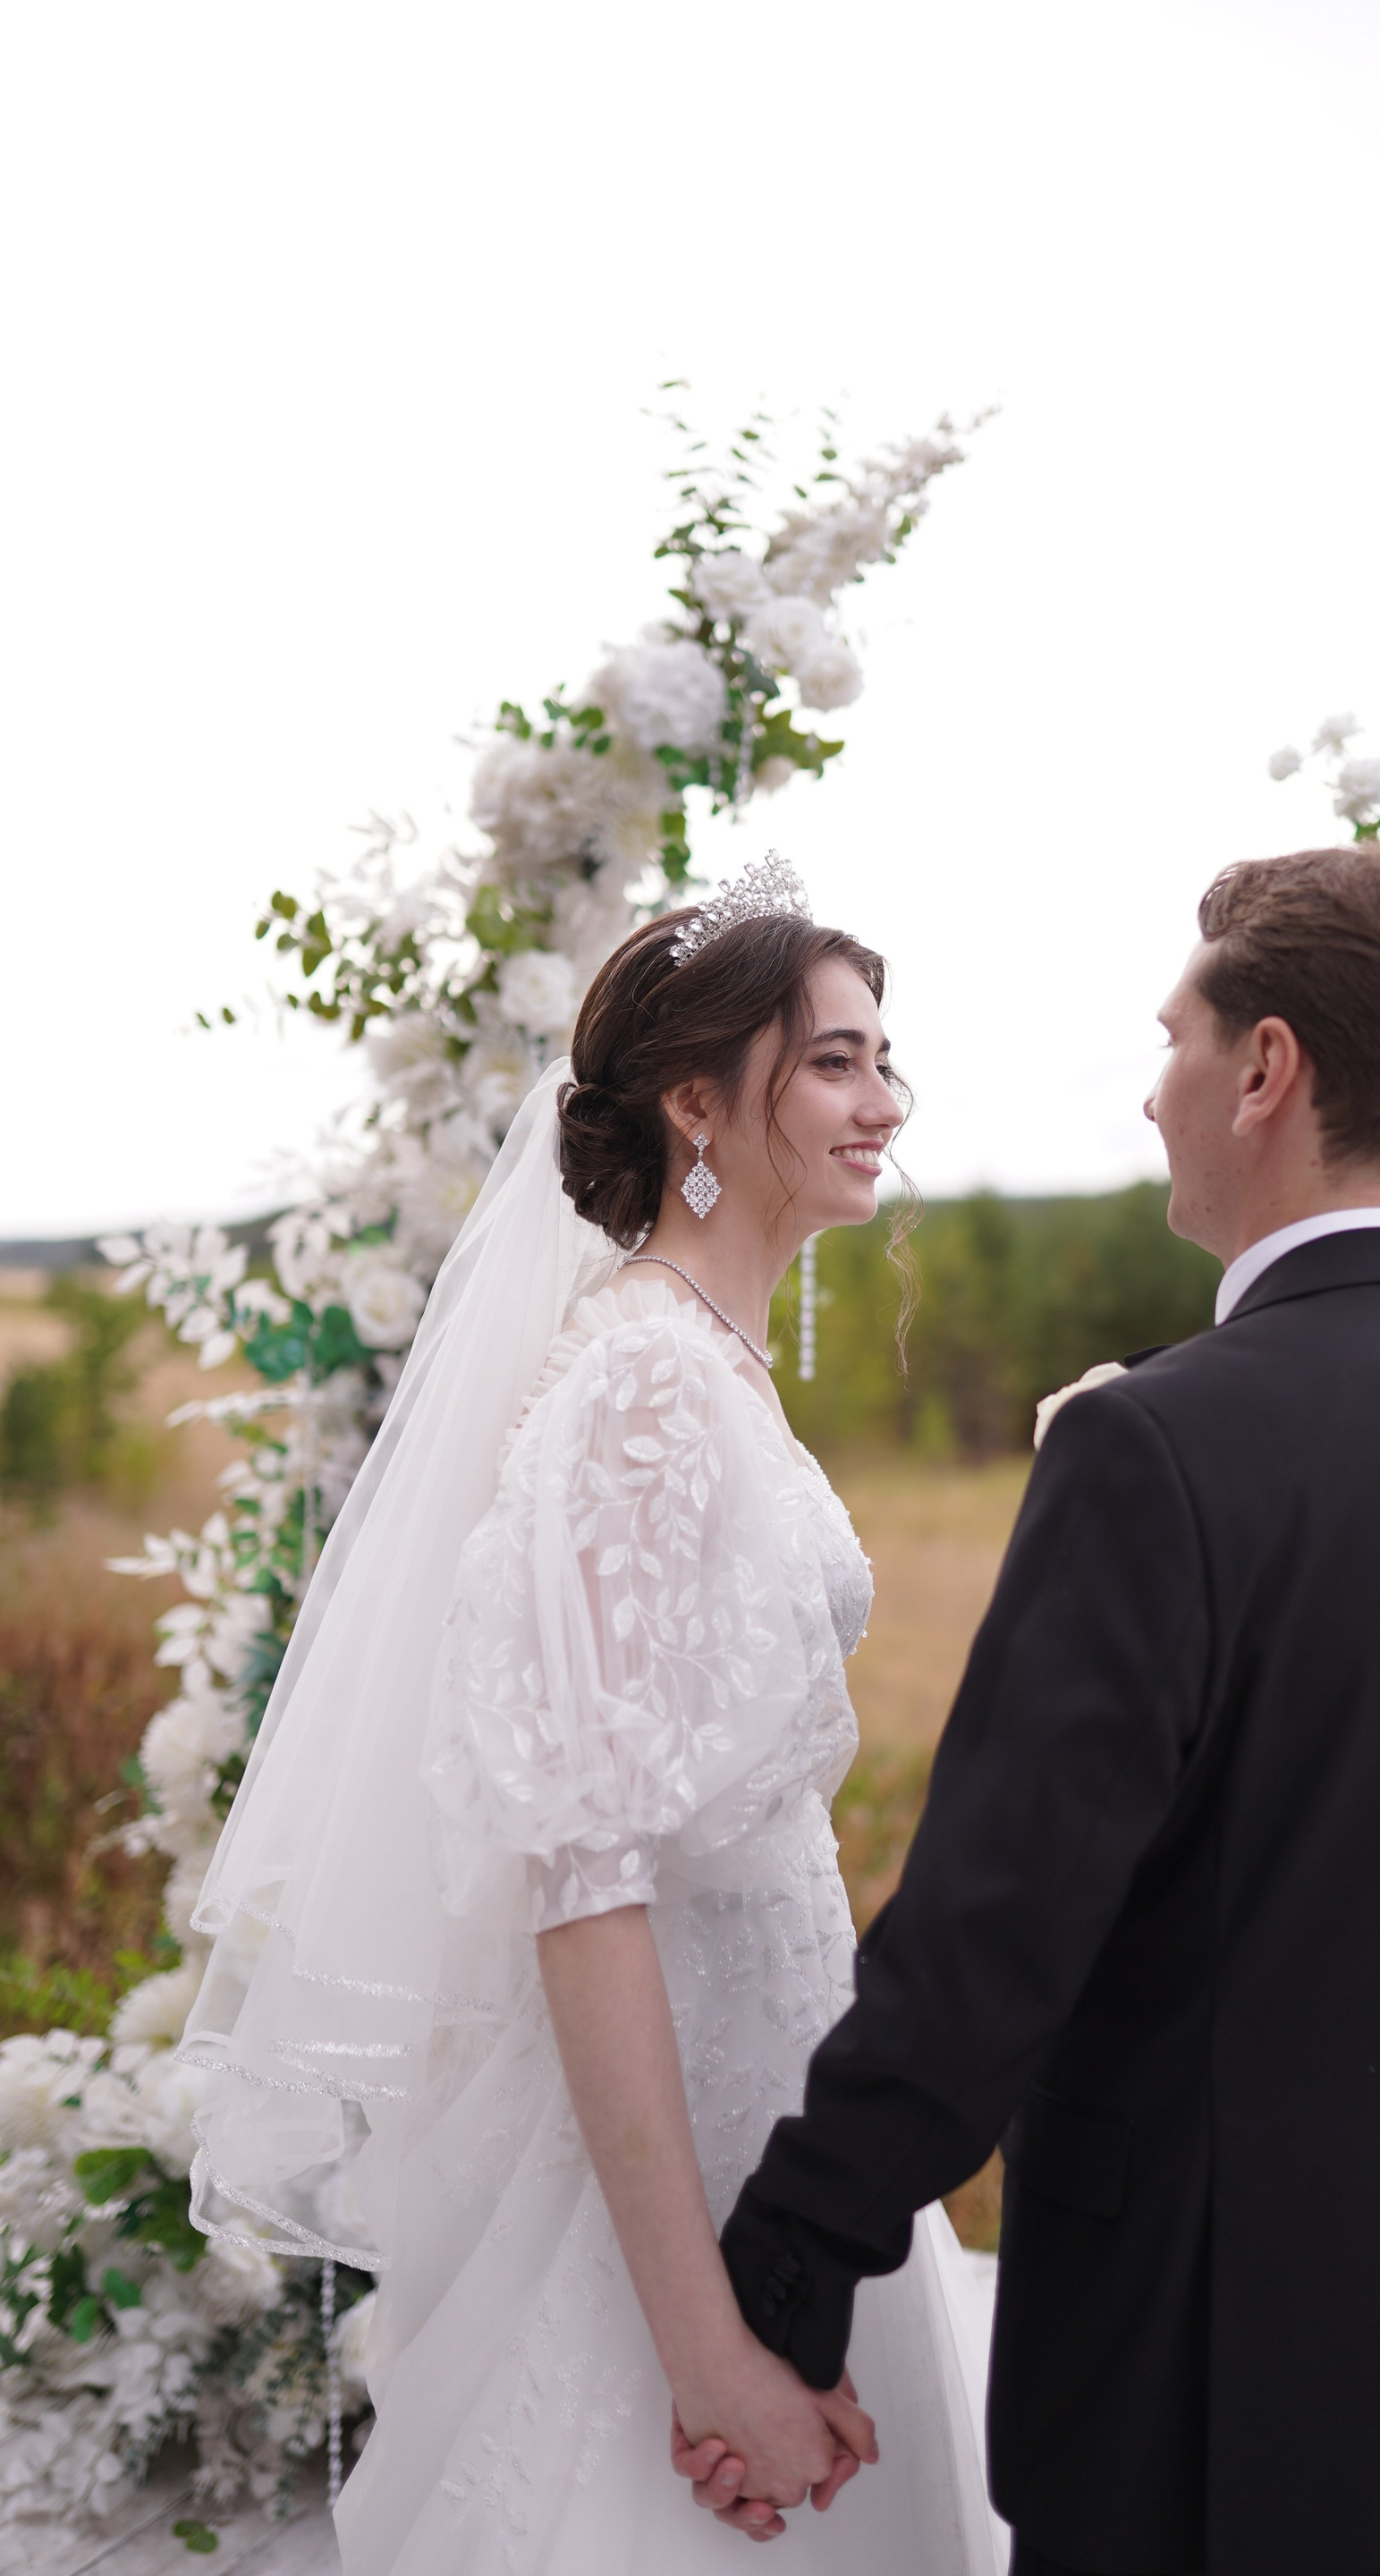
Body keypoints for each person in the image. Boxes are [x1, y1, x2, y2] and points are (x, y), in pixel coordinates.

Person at [711, 843, 1380, 2576]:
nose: (1154, 1095)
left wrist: (793, 2252)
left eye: (1175, 1040)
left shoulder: (1154, 1446)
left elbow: (998, 1925)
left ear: (1265, 1068)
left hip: (1201, 2403)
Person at [176, 858, 1003, 2575]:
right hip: (675, 2150)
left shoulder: (710, 1364)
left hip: (786, 2090)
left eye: (885, 1059)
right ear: (698, 1102)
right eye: (835, 1061)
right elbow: (583, 1877)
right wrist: (705, 2349)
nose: (887, 1103)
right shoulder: (640, 1386)